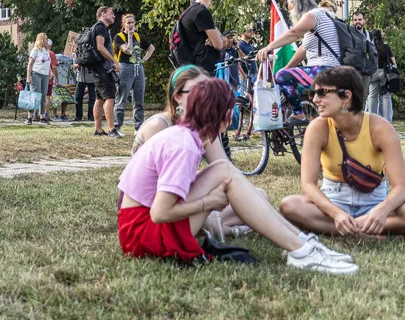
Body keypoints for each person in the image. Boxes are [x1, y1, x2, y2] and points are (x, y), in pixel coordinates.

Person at [118, 77, 358, 274]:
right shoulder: (183, 145)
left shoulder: (187, 136)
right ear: (221, 114)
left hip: (140, 225)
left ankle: (301, 243)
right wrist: (208, 203)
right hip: (142, 234)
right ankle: (301, 249)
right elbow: (159, 213)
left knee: (223, 170)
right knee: (225, 174)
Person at [279, 66, 405, 238]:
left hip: (374, 201)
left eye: (322, 93)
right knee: (289, 205)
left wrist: (382, 210)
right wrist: (336, 214)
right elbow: (308, 185)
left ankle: (347, 229)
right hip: (332, 201)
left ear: (346, 96)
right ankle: (375, 232)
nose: (316, 99)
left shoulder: (380, 128)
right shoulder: (317, 128)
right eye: (313, 94)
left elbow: (401, 187)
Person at [133, 65, 266, 237]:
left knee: (260, 196)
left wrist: (246, 194)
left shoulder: (204, 125)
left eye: (207, 89)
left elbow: (225, 168)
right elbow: (162, 187)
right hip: (158, 205)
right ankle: (224, 228)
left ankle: (218, 226)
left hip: (184, 198)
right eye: (196, 91)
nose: (205, 96)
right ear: (178, 97)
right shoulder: (159, 126)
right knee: (248, 204)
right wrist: (207, 198)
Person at [256, 0, 340, 122]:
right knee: (287, 73)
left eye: (289, 4)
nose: (289, 9)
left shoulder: (312, 15)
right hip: (334, 69)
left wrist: (268, 47)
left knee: (282, 77)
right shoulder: (323, 15)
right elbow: (303, 49)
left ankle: (298, 114)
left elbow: (294, 34)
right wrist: (288, 66)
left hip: (324, 70)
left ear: (294, 2)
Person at [114, 14, 153, 133]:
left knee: (139, 99)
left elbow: (151, 48)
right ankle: (117, 126)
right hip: (125, 67)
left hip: (138, 67)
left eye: (133, 23)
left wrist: (144, 59)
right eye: (128, 23)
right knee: (122, 98)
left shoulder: (138, 36)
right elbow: (128, 51)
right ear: (124, 24)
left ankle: (138, 127)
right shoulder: (119, 37)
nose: (131, 25)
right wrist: (129, 37)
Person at [178, 0, 223, 75]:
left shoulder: (191, 10)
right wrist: (217, 37)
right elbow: (219, 44)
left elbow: (220, 40)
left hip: (196, 70)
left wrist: (217, 37)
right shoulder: (201, 12)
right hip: (204, 71)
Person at [92, 6, 122, 138]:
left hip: (99, 68)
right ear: (103, 14)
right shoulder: (100, 27)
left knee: (99, 99)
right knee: (110, 97)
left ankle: (98, 129)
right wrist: (114, 61)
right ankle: (111, 129)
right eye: (111, 13)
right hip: (103, 68)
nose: (114, 16)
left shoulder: (100, 28)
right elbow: (100, 47)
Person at [367, 30, 396, 121]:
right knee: (386, 96)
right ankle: (387, 120)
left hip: (373, 72)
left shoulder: (370, 47)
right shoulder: (386, 47)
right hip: (385, 73)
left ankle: (372, 119)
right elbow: (393, 61)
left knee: (372, 95)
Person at [24, 33, 51, 125]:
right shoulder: (35, 50)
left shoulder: (46, 50)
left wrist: (50, 72)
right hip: (36, 74)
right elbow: (30, 64)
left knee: (43, 96)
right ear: (41, 39)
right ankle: (29, 117)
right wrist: (28, 76)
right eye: (46, 38)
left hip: (45, 75)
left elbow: (48, 62)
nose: (47, 40)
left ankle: (42, 117)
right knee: (35, 96)